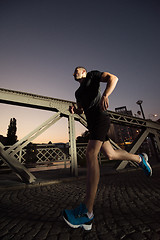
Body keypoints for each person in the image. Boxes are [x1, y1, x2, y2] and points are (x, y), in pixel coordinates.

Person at [63, 66, 152, 231]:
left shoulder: (92, 76)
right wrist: (75, 111)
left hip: (101, 119)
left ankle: (87, 213)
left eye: (77, 70)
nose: (74, 73)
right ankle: (139, 159)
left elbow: (114, 78)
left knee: (91, 154)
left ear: (83, 72)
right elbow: (82, 110)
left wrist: (105, 95)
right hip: (93, 123)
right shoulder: (77, 93)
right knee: (110, 155)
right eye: (73, 71)